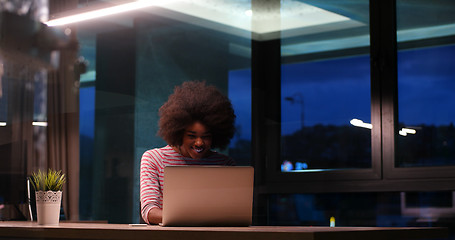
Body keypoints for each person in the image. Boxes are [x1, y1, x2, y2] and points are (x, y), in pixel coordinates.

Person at [140, 81, 236, 224]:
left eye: (206, 136)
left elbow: (235, 211)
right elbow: (149, 211)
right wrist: (198, 218)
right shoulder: (154, 158)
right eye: (192, 136)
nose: (199, 143)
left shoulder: (224, 164)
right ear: (178, 133)